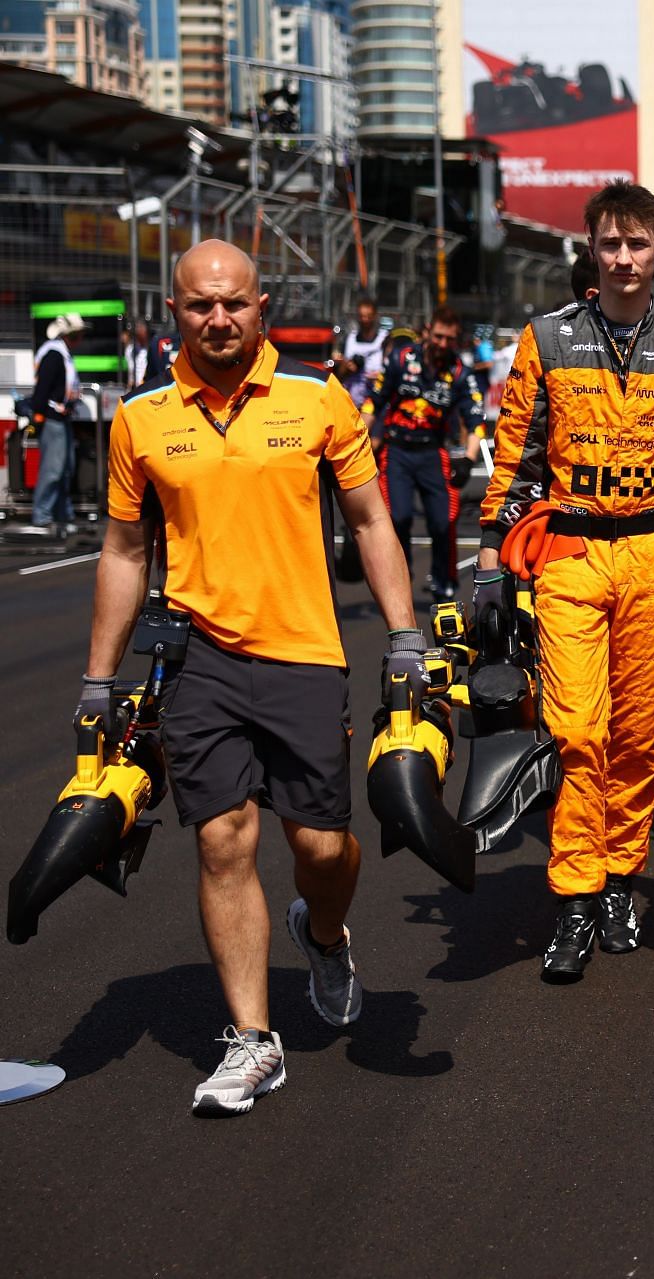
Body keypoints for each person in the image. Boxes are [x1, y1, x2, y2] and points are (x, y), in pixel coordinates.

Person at [84, 239, 420, 1114]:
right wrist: (98, 677)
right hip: (200, 660)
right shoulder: (142, 417)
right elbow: (124, 550)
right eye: (200, 305)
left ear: (261, 307)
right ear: (176, 311)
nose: (219, 319)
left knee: (320, 847)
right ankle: (254, 1041)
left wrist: (406, 633)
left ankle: (327, 929)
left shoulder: (316, 398)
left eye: (233, 303)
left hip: (305, 652)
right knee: (222, 839)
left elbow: (373, 520)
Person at [477, 181, 654, 981]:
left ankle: (622, 876)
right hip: (570, 553)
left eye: (638, 244)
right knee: (575, 729)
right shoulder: (546, 338)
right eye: (609, 244)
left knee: (635, 736)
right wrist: (491, 561)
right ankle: (574, 897)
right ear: (589, 251)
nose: (624, 259)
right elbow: (514, 450)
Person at [368, 306, 487, 603]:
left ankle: (445, 586)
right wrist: (360, 441)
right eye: (438, 336)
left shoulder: (461, 372)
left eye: (450, 339)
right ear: (427, 331)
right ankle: (399, 574)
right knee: (398, 517)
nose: (443, 344)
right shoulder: (401, 358)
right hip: (396, 451)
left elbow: (476, 420)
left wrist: (469, 459)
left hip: (433, 452)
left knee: (443, 521)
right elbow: (373, 402)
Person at [21, 313, 84, 537]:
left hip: (61, 418)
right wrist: (38, 415)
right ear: (70, 335)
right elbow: (42, 390)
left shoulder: (61, 354)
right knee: (53, 470)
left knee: (65, 468)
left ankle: (61, 515)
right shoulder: (54, 355)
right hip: (52, 418)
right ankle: (42, 516)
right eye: (78, 335)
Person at [339, 295, 386, 411]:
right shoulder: (349, 339)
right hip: (352, 404)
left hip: (374, 404)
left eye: (368, 316)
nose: (365, 320)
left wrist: (378, 376)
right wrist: (348, 368)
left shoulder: (384, 340)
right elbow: (339, 374)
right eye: (362, 316)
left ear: (375, 316)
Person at [123, 319, 153, 388]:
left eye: (141, 329)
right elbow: (130, 370)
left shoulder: (151, 348)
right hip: (134, 387)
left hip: (147, 387)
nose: (138, 332)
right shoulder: (130, 349)